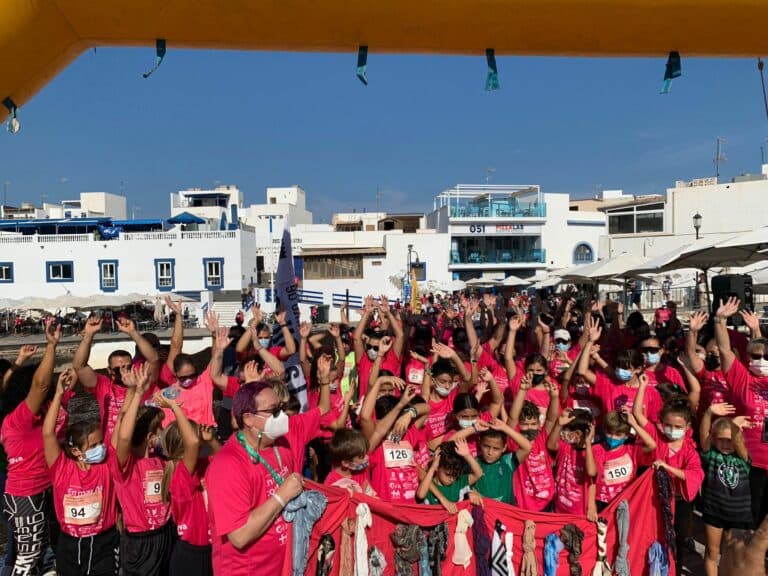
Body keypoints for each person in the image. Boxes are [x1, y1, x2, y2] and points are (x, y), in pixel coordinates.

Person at [205, 357, 331, 575]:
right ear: (249, 419)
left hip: (284, 566)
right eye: (273, 412)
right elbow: (240, 535)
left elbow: (323, 410)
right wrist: (281, 496)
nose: (281, 416)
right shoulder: (227, 464)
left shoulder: (280, 443)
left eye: (281, 408)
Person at [43, 368, 119, 576]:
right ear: (76, 450)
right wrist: (59, 394)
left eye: (100, 442)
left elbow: (121, 432)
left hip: (104, 541)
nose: (100, 448)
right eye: (93, 445)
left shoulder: (106, 464)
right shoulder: (61, 469)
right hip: (69, 543)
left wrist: (132, 393)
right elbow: (48, 434)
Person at [1, 320, 60, 575]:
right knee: (28, 555)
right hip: (27, 494)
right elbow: (41, 385)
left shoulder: (46, 411)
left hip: (48, 486)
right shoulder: (18, 419)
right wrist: (51, 345)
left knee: (44, 548)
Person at [633, 380, 703, 574]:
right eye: (668, 425)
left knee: (678, 540)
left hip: (679, 502)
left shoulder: (690, 450)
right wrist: (642, 387)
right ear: (661, 423)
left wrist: (668, 468)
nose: (672, 429)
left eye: (678, 426)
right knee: (653, 535)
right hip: (655, 500)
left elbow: (694, 474)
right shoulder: (657, 435)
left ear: (687, 426)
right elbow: (638, 414)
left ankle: (675, 570)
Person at [111, 363, 173, 576]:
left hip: (166, 533)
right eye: (160, 431)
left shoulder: (163, 460)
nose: (163, 434)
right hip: (140, 541)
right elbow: (123, 434)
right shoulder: (126, 466)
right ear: (149, 438)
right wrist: (136, 392)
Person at [713, 297, 768, 527]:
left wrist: (756, 328)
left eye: (766, 357)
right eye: (755, 357)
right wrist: (719, 320)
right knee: (751, 516)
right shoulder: (741, 379)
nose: (761, 360)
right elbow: (725, 351)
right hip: (749, 462)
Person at [157, 393, 220, 576]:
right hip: (192, 556)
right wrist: (174, 406)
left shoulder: (201, 465)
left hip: (211, 549)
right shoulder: (181, 477)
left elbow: (224, 460)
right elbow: (191, 442)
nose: (199, 440)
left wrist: (212, 441)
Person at [72, 314, 161, 438]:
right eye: (118, 369)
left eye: (127, 367)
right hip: (111, 445)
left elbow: (154, 360)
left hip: (138, 445)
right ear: (110, 371)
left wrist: (133, 332)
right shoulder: (103, 385)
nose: (123, 371)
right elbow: (79, 366)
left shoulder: (142, 382)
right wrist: (88, 335)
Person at [699, 402, 753, 576]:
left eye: (730, 439)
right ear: (714, 439)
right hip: (714, 512)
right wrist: (708, 413)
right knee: (712, 553)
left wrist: (734, 425)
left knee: (733, 557)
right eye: (721, 439)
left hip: (739, 515)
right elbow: (703, 436)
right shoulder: (711, 455)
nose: (726, 443)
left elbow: (737, 440)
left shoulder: (744, 459)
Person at [588, 409, 656, 520]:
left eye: (618, 434)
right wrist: (591, 506)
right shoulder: (596, 450)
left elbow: (651, 444)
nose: (613, 437)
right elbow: (591, 480)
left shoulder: (631, 450)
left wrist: (633, 423)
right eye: (609, 433)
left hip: (627, 500)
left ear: (626, 435)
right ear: (604, 431)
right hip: (603, 502)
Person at [547, 407, 596, 516]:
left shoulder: (592, 453)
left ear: (578, 433)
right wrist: (558, 424)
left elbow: (592, 473)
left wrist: (588, 444)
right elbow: (551, 445)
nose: (563, 434)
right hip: (559, 508)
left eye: (566, 431)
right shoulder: (566, 447)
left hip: (579, 511)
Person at [472, 418, 532, 504]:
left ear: (504, 448)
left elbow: (527, 447)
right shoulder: (473, 463)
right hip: (484, 514)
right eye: (486, 446)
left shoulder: (508, 462)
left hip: (507, 513)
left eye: (496, 448)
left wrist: (505, 428)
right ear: (479, 443)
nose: (490, 452)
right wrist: (470, 491)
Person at [417, 439, 483, 512]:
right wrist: (432, 468)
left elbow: (478, 474)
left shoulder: (459, 482)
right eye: (448, 474)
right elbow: (421, 495)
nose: (452, 479)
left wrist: (467, 455)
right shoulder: (428, 482)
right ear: (438, 466)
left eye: (455, 475)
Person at [324, 429, 375, 496]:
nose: (367, 457)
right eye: (361, 457)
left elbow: (371, 496)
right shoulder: (331, 483)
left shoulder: (361, 473)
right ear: (346, 463)